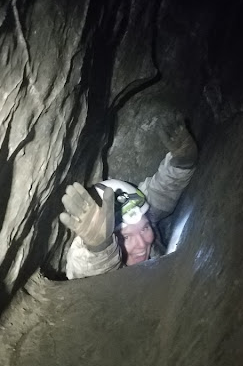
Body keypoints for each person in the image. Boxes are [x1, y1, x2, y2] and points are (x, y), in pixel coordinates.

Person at [60, 118, 197, 279]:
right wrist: (100, 248)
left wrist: (182, 162)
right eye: (126, 236)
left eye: (145, 228)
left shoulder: (143, 214)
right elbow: (86, 272)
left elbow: (161, 192)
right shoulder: (90, 258)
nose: (142, 244)